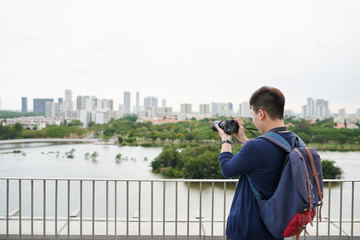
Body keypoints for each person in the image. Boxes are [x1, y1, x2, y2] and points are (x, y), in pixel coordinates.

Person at [215, 86, 295, 240]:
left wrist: (226, 139)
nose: (253, 119)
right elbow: (264, 157)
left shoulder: (257, 146)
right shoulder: (294, 140)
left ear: (261, 113)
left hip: (248, 229)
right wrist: (244, 140)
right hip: (276, 227)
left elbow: (227, 169)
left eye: (252, 114)